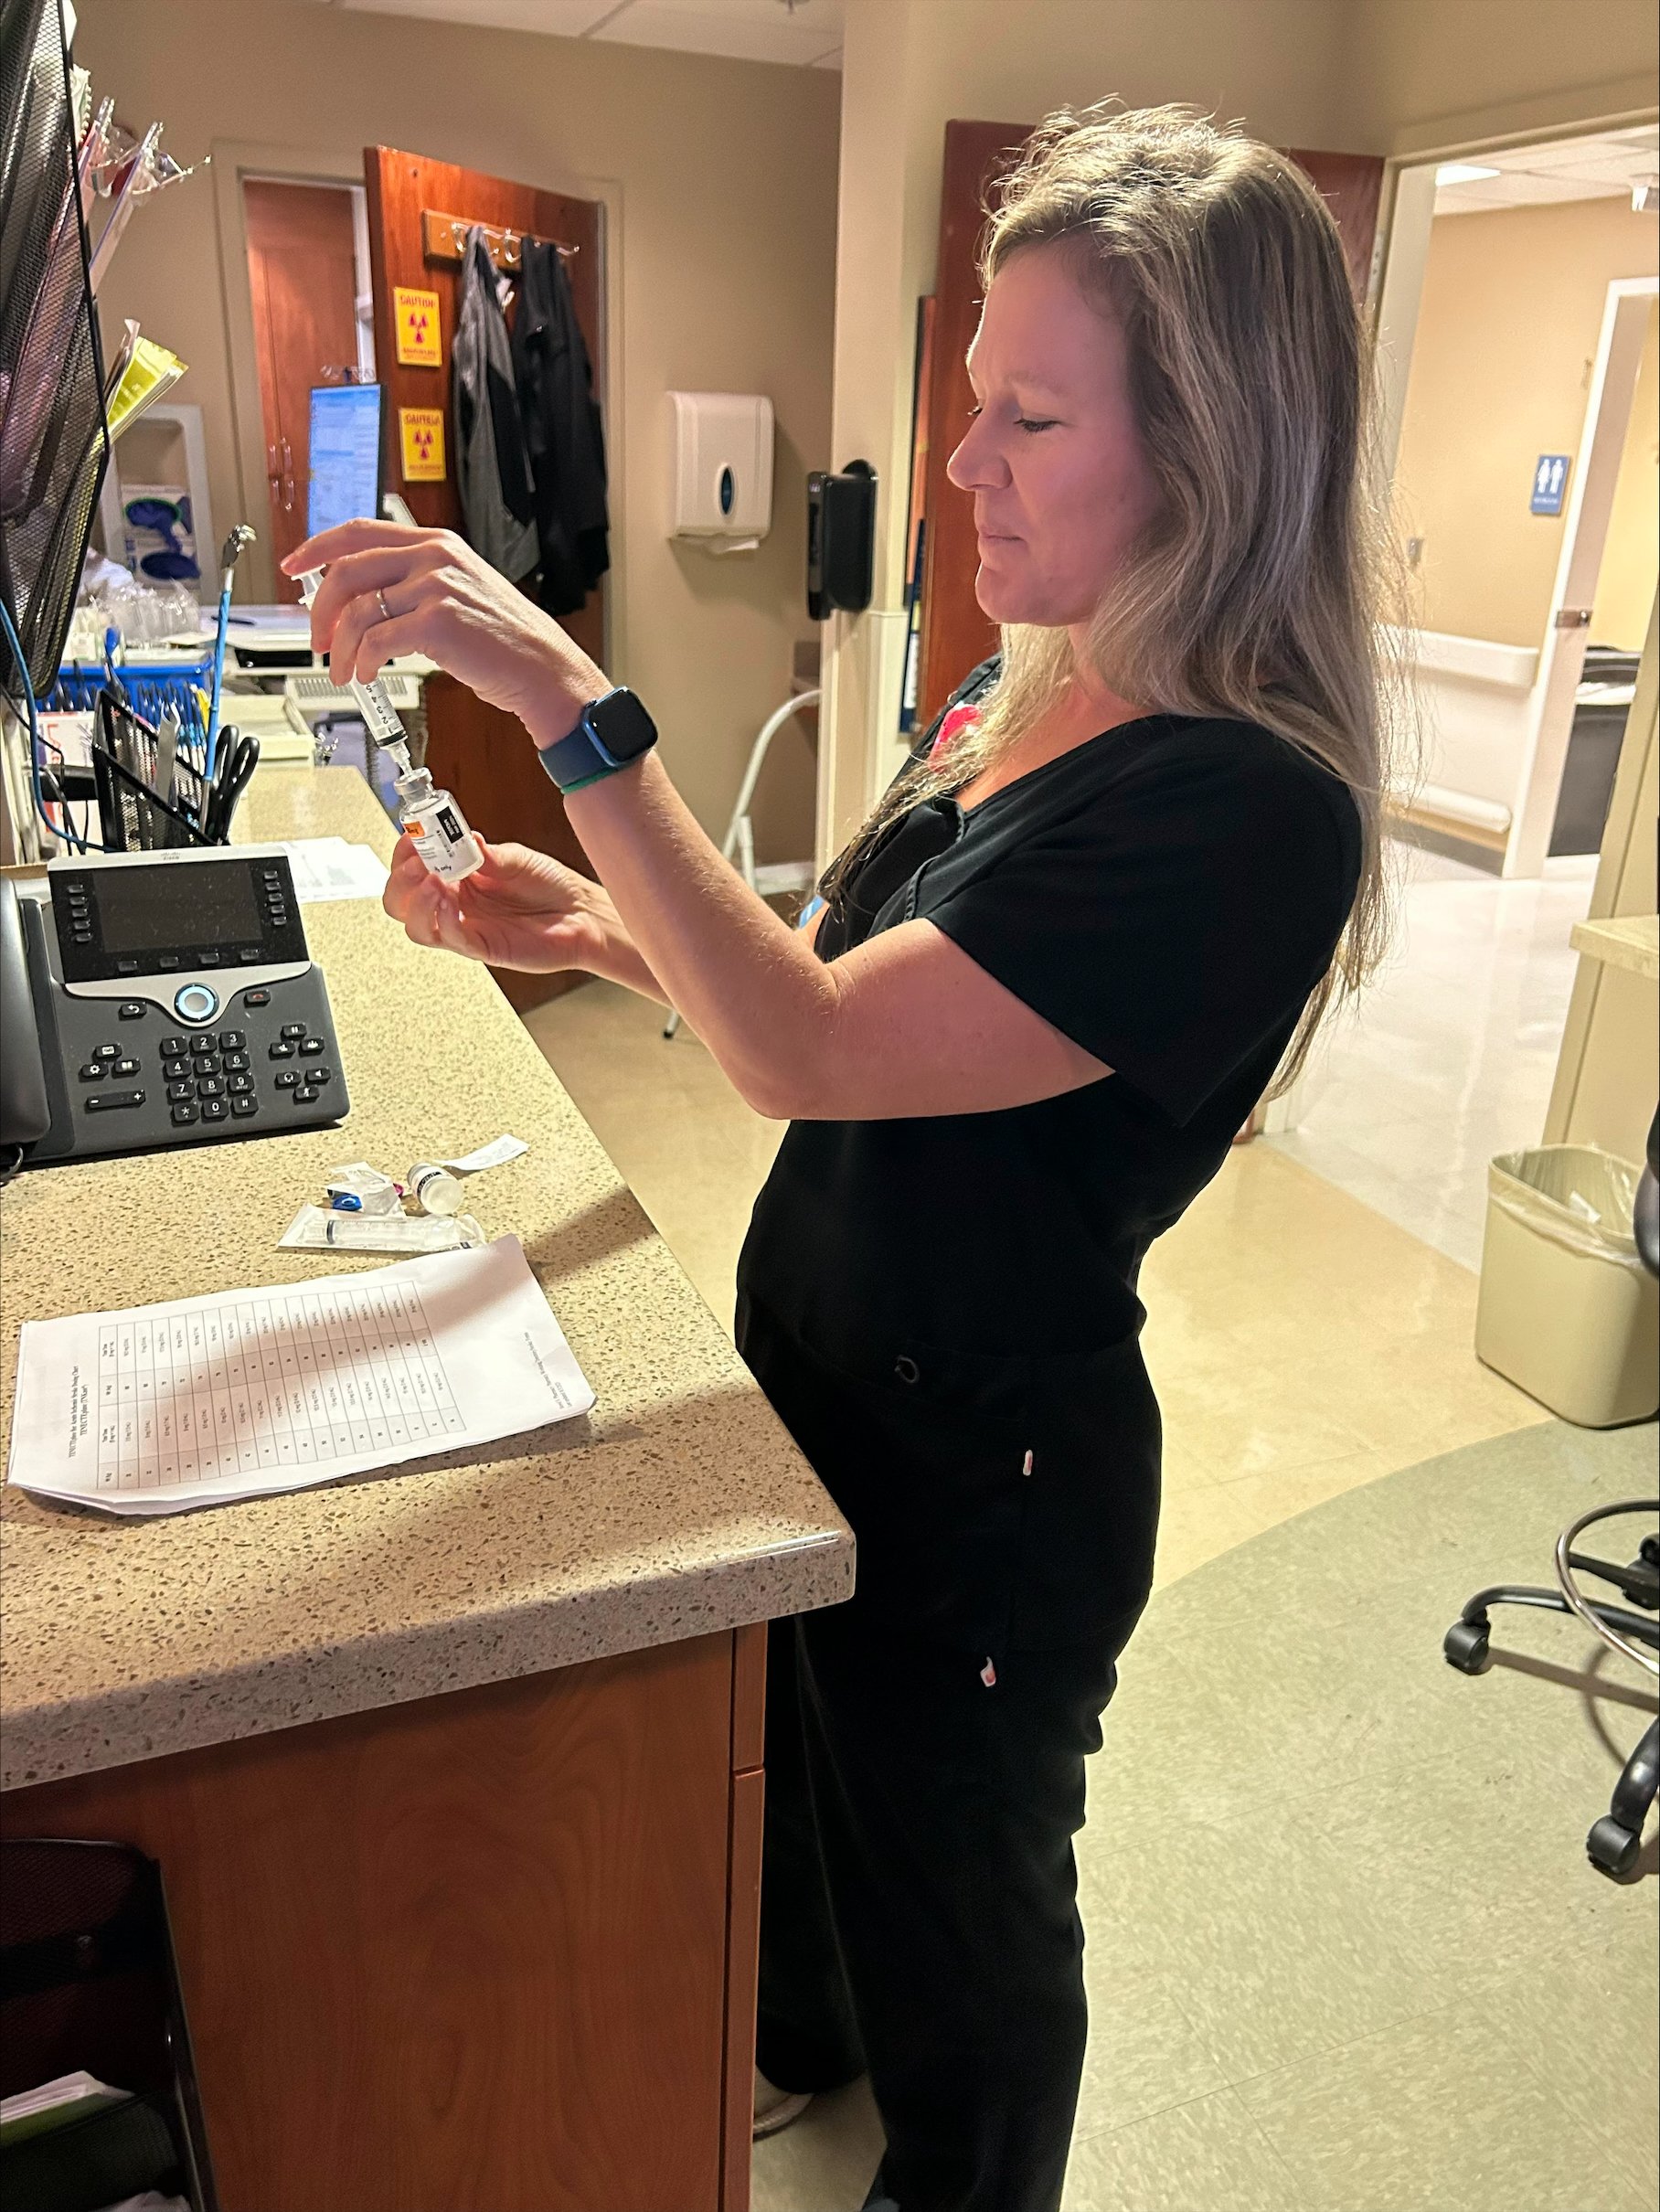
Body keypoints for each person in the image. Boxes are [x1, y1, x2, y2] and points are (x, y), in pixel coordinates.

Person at [284, 101, 1395, 2212]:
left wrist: (565, 696)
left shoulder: (1242, 810)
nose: (958, 467)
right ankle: (797, 2040)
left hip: (990, 1460)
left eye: (1029, 422)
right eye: (973, 403)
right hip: (823, 1360)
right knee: (802, 1780)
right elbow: (837, 990)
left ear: (1214, 453)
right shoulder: (1018, 684)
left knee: (966, 1895)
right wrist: (591, 919)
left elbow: (792, 1048)